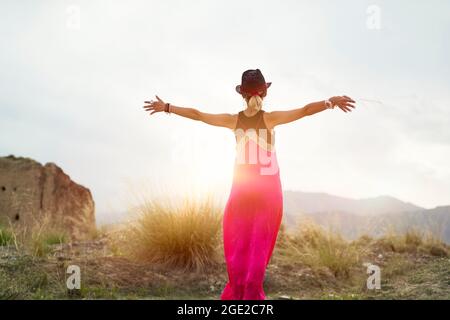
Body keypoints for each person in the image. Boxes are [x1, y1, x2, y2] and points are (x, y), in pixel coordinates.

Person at [143, 69, 356, 300]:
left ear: (242, 94)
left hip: (242, 190)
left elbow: (198, 114)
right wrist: (330, 102)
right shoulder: (270, 118)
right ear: (264, 92)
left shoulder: (233, 121)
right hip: (268, 191)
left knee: (239, 249)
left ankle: (239, 295)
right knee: (258, 249)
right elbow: (304, 111)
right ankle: (252, 296)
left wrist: (166, 107)